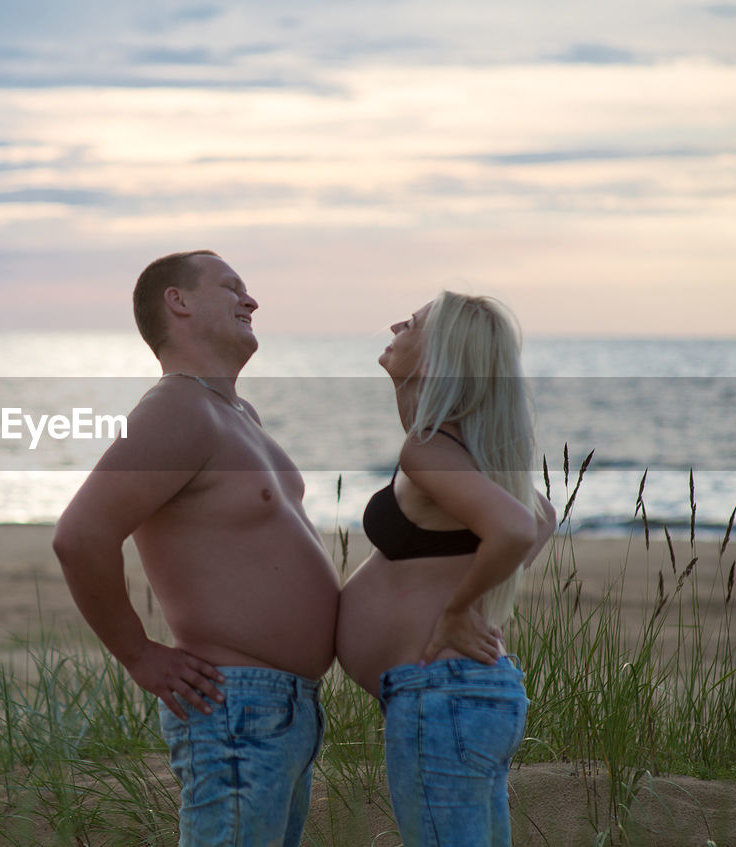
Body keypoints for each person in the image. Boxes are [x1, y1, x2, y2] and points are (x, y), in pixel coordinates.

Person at [52, 250, 340, 845]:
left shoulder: (238, 414)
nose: (250, 300)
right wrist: (138, 654)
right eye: (231, 287)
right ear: (178, 301)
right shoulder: (177, 408)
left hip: (285, 712)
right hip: (235, 709)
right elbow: (80, 536)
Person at [335, 291, 556, 847]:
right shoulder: (458, 445)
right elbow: (543, 515)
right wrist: (472, 589)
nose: (393, 324)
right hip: (460, 695)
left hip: (445, 698)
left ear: (436, 359)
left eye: (409, 323)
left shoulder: (430, 448)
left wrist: (459, 609)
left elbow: (517, 527)